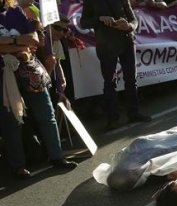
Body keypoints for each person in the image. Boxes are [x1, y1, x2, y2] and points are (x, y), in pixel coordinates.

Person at [0, 0, 77, 179]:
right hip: (4, 73)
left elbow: (35, 39)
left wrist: (8, 46)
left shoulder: (15, 11)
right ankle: (18, 167)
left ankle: (57, 157)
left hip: (30, 70)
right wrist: (19, 42)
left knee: (47, 114)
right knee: (12, 120)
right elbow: (26, 41)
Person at [80, 0, 152, 131]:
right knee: (110, 82)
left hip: (126, 41)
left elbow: (134, 20)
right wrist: (100, 18)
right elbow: (84, 22)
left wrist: (129, 26)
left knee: (131, 79)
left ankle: (134, 113)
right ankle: (112, 119)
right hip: (106, 45)